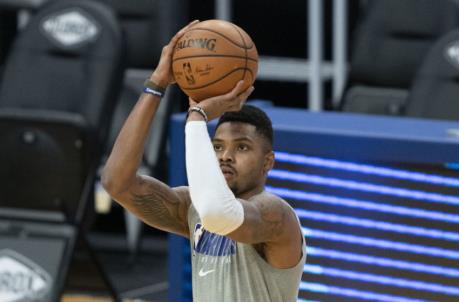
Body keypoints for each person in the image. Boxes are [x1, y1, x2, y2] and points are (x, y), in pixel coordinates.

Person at [102, 20, 306, 302]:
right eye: (218, 146)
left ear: (267, 162)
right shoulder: (193, 209)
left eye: (242, 147)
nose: (226, 156)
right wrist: (157, 84)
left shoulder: (275, 215)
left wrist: (196, 117)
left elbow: (218, 213)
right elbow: (116, 182)